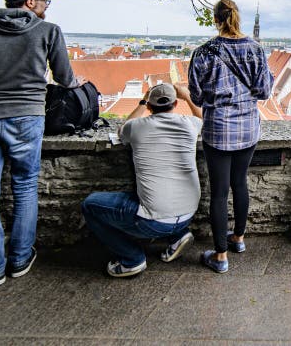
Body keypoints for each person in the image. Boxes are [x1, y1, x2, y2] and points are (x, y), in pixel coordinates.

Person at [0, 0, 79, 289]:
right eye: (44, 1)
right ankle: (19, 259)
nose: (46, 6)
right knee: (26, 185)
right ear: (30, 3)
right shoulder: (48, 30)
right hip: (27, 117)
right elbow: (66, 78)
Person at [81, 83, 203, 277]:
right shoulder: (190, 124)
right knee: (155, 195)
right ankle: (178, 235)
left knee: (90, 205)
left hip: (154, 221)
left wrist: (143, 99)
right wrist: (188, 96)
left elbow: (123, 130)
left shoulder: (137, 127)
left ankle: (131, 259)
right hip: (189, 212)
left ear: (150, 107)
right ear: (175, 104)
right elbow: (205, 119)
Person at [189, 0, 274, 273]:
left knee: (218, 192)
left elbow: (197, 96)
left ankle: (221, 256)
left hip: (218, 128)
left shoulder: (204, 53)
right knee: (240, 183)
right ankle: (238, 238)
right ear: (238, 17)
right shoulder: (255, 50)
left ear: (216, 19)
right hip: (248, 127)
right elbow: (264, 92)